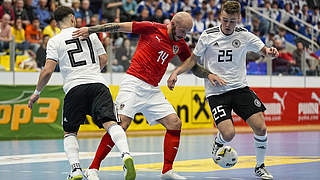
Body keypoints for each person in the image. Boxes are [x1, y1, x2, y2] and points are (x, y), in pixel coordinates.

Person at [72, 11, 222, 180]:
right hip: (133, 83)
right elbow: (119, 26)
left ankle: (167, 171)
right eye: (182, 31)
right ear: (172, 24)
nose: (184, 35)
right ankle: (93, 168)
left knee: (174, 123)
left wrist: (208, 74)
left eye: (187, 32)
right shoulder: (151, 28)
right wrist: (91, 30)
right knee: (120, 126)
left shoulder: (180, 44)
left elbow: (193, 66)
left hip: (152, 89)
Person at [167, 1, 278, 180]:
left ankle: (260, 166)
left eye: (232, 21)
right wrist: (176, 72)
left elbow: (264, 50)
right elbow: (192, 60)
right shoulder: (208, 35)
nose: (228, 25)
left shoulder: (245, 35)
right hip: (217, 92)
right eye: (225, 20)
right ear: (220, 17)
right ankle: (218, 142)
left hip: (240, 88)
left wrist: (270, 52)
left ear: (239, 19)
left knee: (261, 128)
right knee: (229, 134)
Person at [27, 6, 136, 180]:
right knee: (111, 124)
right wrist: (92, 72)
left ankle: (76, 170)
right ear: (72, 18)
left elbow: (48, 70)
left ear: (56, 23)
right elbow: (104, 59)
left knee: (70, 132)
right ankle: (126, 155)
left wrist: (37, 92)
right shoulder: (90, 33)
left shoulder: (55, 41)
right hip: (98, 84)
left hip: (74, 87)